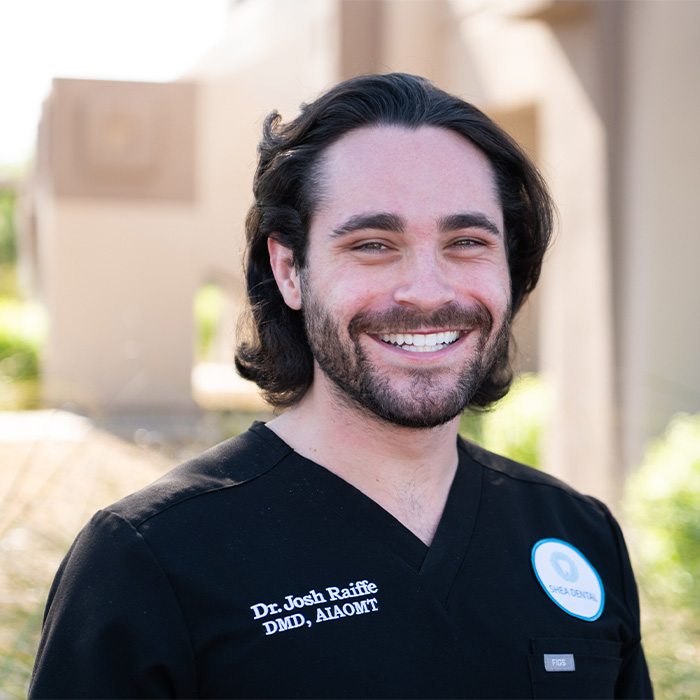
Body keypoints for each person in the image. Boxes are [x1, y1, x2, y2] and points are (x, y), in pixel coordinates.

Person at [30, 73, 653, 698]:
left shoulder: (579, 534)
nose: (428, 291)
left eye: (467, 242)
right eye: (374, 244)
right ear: (290, 271)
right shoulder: (150, 559)